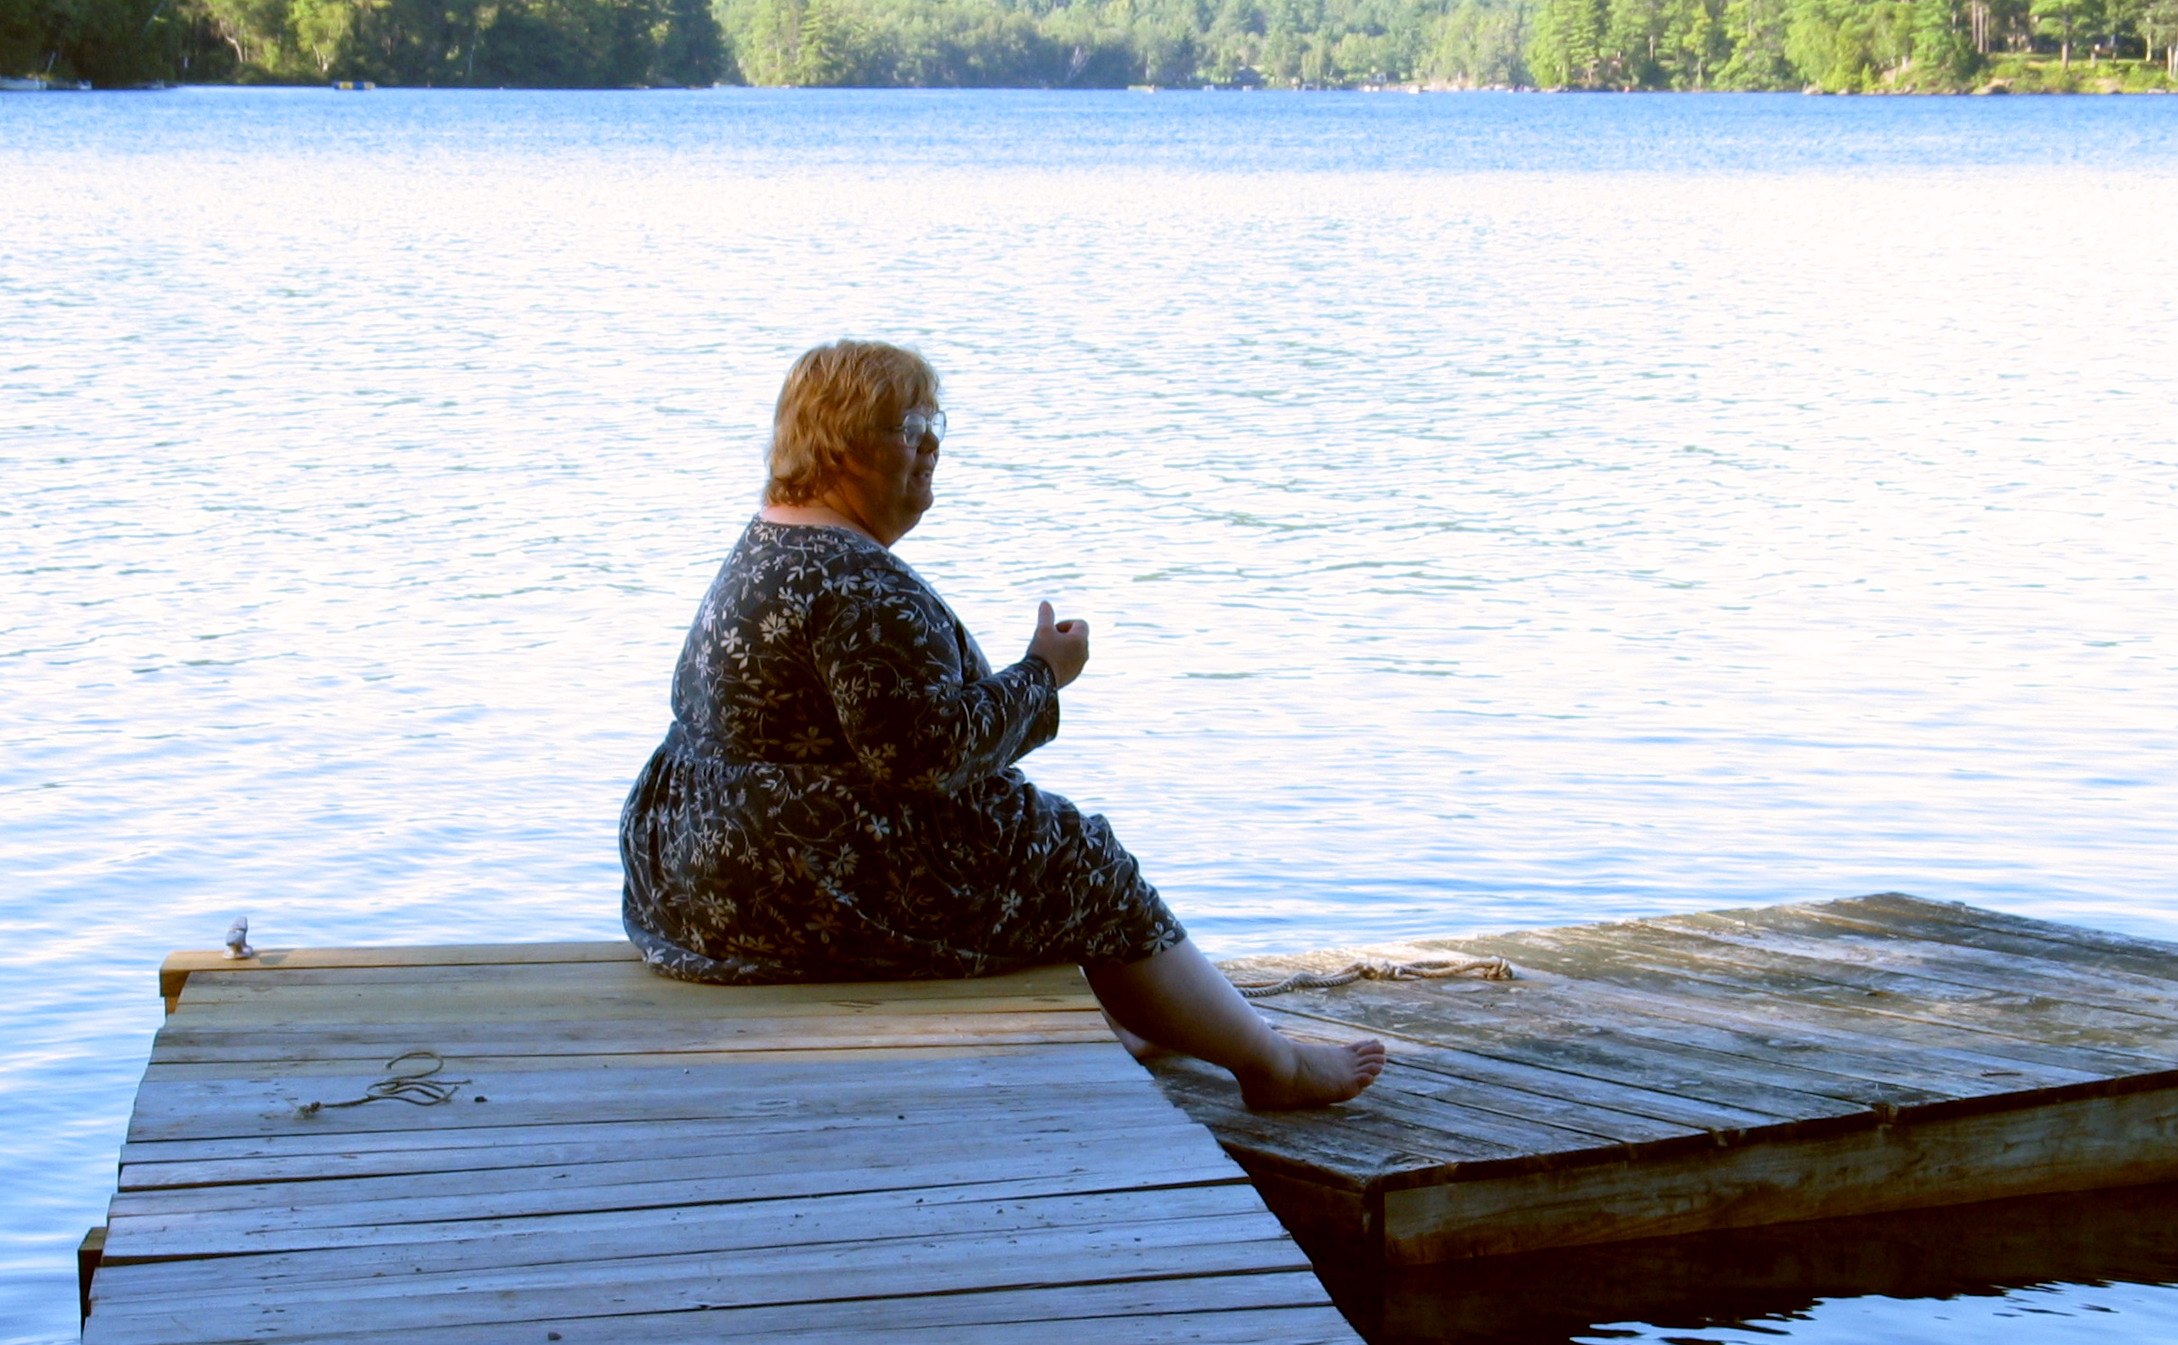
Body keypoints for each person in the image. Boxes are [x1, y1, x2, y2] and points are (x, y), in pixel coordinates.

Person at [620, 339, 1385, 1109]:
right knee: (1079, 857)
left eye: (934, 425)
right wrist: (1043, 673)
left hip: (695, 885)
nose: (931, 447)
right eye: (909, 428)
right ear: (840, 446)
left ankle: (1138, 1019)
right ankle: (1271, 1064)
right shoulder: (860, 584)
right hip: (793, 887)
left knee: (1015, 836)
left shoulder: (768, 540)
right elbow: (926, 755)